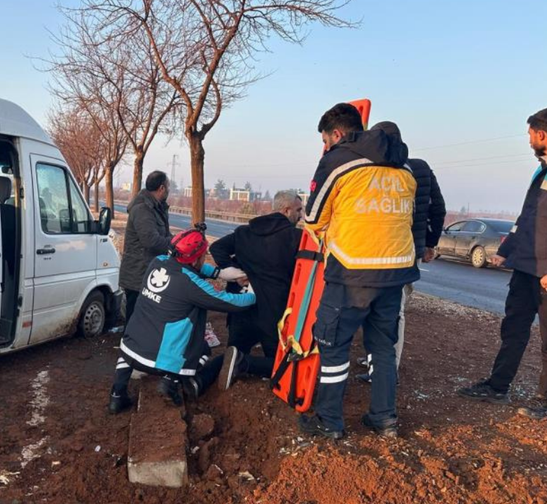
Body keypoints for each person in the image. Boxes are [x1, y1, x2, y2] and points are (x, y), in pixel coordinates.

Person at [298, 103, 418, 439]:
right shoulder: (404, 168)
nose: (326, 146)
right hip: (396, 273)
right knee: (382, 347)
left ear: (336, 134)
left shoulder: (337, 162)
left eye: (326, 140)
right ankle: (384, 419)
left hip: (351, 272)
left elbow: (313, 219)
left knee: (333, 346)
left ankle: (329, 422)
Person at [108, 225, 257, 414]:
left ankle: (117, 396)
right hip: (159, 358)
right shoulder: (190, 284)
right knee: (202, 348)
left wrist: (218, 273)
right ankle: (171, 382)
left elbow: (190, 267)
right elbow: (230, 302)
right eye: (202, 255)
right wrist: (253, 294)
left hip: (131, 346)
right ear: (196, 258)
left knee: (129, 352)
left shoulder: (157, 262)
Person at [458, 108, 547, 419]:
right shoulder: (541, 173)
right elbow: (526, 219)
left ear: (542, 135)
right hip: (525, 268)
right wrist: (505, 251)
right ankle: (497, 387)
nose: (528, 141)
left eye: (530, 135)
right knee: (514, 329)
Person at [355, 123, 447, 383]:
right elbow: (438, 208)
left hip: (380, 248)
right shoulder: (421, 168)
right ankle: (380, 357)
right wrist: (430, 242)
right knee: (393, 307)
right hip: (409, 251)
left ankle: (386, 366)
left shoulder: (374, 169)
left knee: (386, 308)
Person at [210, 190, 304, 389]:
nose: (301, 215)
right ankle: (245, 363)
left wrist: (236, 272)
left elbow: (217, 248)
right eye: (298, 210)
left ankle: (199, 380)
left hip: (240, 310)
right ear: (286, 210)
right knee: (282, 367)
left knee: (232, 352)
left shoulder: (245, 232)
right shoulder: (296, 238)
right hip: (273, 314)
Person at [119, 171, 172, 323]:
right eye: (168, 187)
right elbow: (151, 241)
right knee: (135, 318)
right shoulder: (143, 209)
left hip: (149, 271)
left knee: (146, 319)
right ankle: (128, 344)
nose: (168, 190)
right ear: (161, 188)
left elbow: (163, 235)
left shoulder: (156, 208)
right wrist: (176, 243)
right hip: (138, 274)